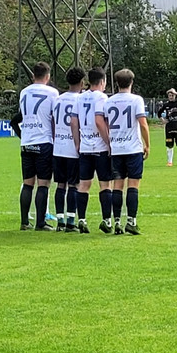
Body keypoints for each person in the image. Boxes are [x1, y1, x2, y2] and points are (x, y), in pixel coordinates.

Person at [106, 69, 150, 235]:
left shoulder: (109, 102)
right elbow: (143, 124)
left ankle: (117, 222)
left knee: (117, 185)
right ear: (131, 82)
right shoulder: (136, 100)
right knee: (133, 185)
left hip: (116, 148)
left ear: (117, 83)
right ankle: (131, 221)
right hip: (132, 148)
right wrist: (147, 145)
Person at [18, 61, 59, 231]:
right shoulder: (52, 93)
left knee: (28, 183)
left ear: (33, 75)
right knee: (43, 184)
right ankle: (41, 223)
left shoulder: (23, 92)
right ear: (48, 77)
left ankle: (24, 222)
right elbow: (54, 118)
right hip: (43, 141)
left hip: (26, 141)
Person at [71, 66, 112, 234]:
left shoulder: (80, 98)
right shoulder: (102, 98)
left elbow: (73, 122)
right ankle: (107, 220)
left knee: (84, 185)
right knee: (105, 185)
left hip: (85, 148)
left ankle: (81, 219)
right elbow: (100, 122)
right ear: (102, 81)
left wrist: (77, 143)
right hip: (100, 148)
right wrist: (108, 143)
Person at [52, 67, 85, 232]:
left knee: (60, 185)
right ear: (82, 82)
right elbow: (75, 123)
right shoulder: (80, 100)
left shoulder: (58, 99)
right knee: (74, 185)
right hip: (72, 148)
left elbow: (52, 122)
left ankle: (60, 221)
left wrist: (55, 137)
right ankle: (71, 221)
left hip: (58, 148)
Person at [156, 88, 177, 167]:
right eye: (169, 95)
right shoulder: (166, 105)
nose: (171, 97)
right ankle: (170, 162)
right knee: (169, 145)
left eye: (172, 95)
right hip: (169, 128)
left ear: (175, 95)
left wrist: (176, 92)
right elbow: (159, 113)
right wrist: (162, 120)